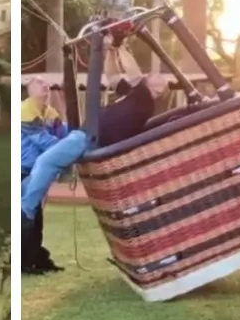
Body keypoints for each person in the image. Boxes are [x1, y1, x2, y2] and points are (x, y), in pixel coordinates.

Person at [19, 44, 169, 234]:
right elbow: (113, 76)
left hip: (89, 138)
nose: (154, 78)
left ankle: (25, 212)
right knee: (39, 170)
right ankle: (22, 206)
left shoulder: (145, 100)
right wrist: (110, 50)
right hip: (88, 136)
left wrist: (120, 45)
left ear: (158, 90)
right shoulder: (133, 95)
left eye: (158, 81)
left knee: (46, 162)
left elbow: (135, 73)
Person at [19, 77, 69, 275]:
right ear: (30, 90)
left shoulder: (50, 112)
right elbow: (46, 142)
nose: (44, 84)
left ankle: (36, 258)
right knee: (27, 216)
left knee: (36, 218)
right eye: (39, 82)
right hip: (23, 170)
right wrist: (70, 147)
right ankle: (24, 261)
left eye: (45, 83)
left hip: (37, 171)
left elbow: (64, 133)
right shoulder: (25, 111)